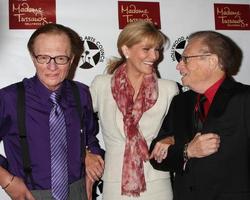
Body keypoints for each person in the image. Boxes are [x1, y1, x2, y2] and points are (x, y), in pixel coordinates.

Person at [0, 23, 104, 200]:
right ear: (33, 58)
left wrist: (92, 155)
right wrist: (7, 181)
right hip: (31, 194)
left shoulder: (81, 93)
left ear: (71, 60)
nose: (52, 66)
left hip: (78, 190)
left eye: (60, 58)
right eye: (43, 58)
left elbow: (90, 135)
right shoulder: (9, 98)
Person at [150, 30, 250, 200]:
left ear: (212, 61)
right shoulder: (180, 102)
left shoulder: (245, 99)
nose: (178, 66)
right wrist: (186, 151)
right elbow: (156, 157)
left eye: (186, 59)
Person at [89, 20, 179, 200]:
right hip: (115, 182)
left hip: (157, 180)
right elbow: (75, 122)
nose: (154, 56)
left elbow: (182, 129)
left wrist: (171, 138)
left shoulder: (169, 88)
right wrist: (86, 152)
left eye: (157, 49)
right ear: (126, 50)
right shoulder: (102, 85)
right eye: (146, 49)